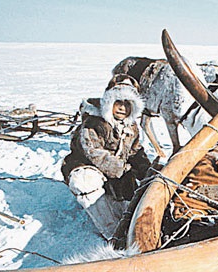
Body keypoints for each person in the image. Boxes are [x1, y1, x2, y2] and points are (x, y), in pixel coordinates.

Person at [61, 74, 152, 240]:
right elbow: (93, 152)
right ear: (109, 102)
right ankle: (112, 234)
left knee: (124, 209)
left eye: (127, 104)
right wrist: (122, 169)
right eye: (118, 102)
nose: (122, 108)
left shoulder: (131, 127)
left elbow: (135, 151)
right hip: (86, 167)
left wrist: (147, 171)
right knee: (85, 181)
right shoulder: (94, 123)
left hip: (117, 175)